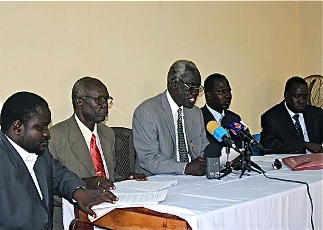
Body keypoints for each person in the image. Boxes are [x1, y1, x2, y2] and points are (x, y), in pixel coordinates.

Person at [0, 91, 118, 230]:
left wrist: (78, 192)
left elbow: (60, 176)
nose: (47, 134)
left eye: (47, 127)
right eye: (41, 127)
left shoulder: (39, 151)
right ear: (18, 127)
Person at [49, 76, 146, 229]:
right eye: (99, 100)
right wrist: (81, 190)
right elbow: (48, 190)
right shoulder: (55, 136)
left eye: (107, 99)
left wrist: (128, 180)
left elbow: (108, 177)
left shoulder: (107, 134)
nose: (105, 105)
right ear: (79, 102)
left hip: (111, 215)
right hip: (74, 219)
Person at [132, 60, 209, 176]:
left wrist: (224, 159)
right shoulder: (146, 112)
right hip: (156, 181)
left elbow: (203, 149)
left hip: (192, 180)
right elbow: (149, 159)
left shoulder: (196, 113)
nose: (196, 92)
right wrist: (185, 168)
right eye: (191, 87)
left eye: (198, 88)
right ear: (174, 83)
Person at [260, 76, 323, 154]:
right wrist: (303, 145)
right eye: (297, 96)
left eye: (305, 97)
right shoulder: (272, 117)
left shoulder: (316, 114)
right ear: (286, 95)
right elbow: (267, 146)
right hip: (289, 162)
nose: (302, 101)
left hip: (316, 162)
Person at [200, 73, 242, 149]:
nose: (228, 96)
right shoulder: (199, 118)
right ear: (208, 95)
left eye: (228, 91)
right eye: (222, 92)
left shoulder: (233, 118)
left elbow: (242, 145)